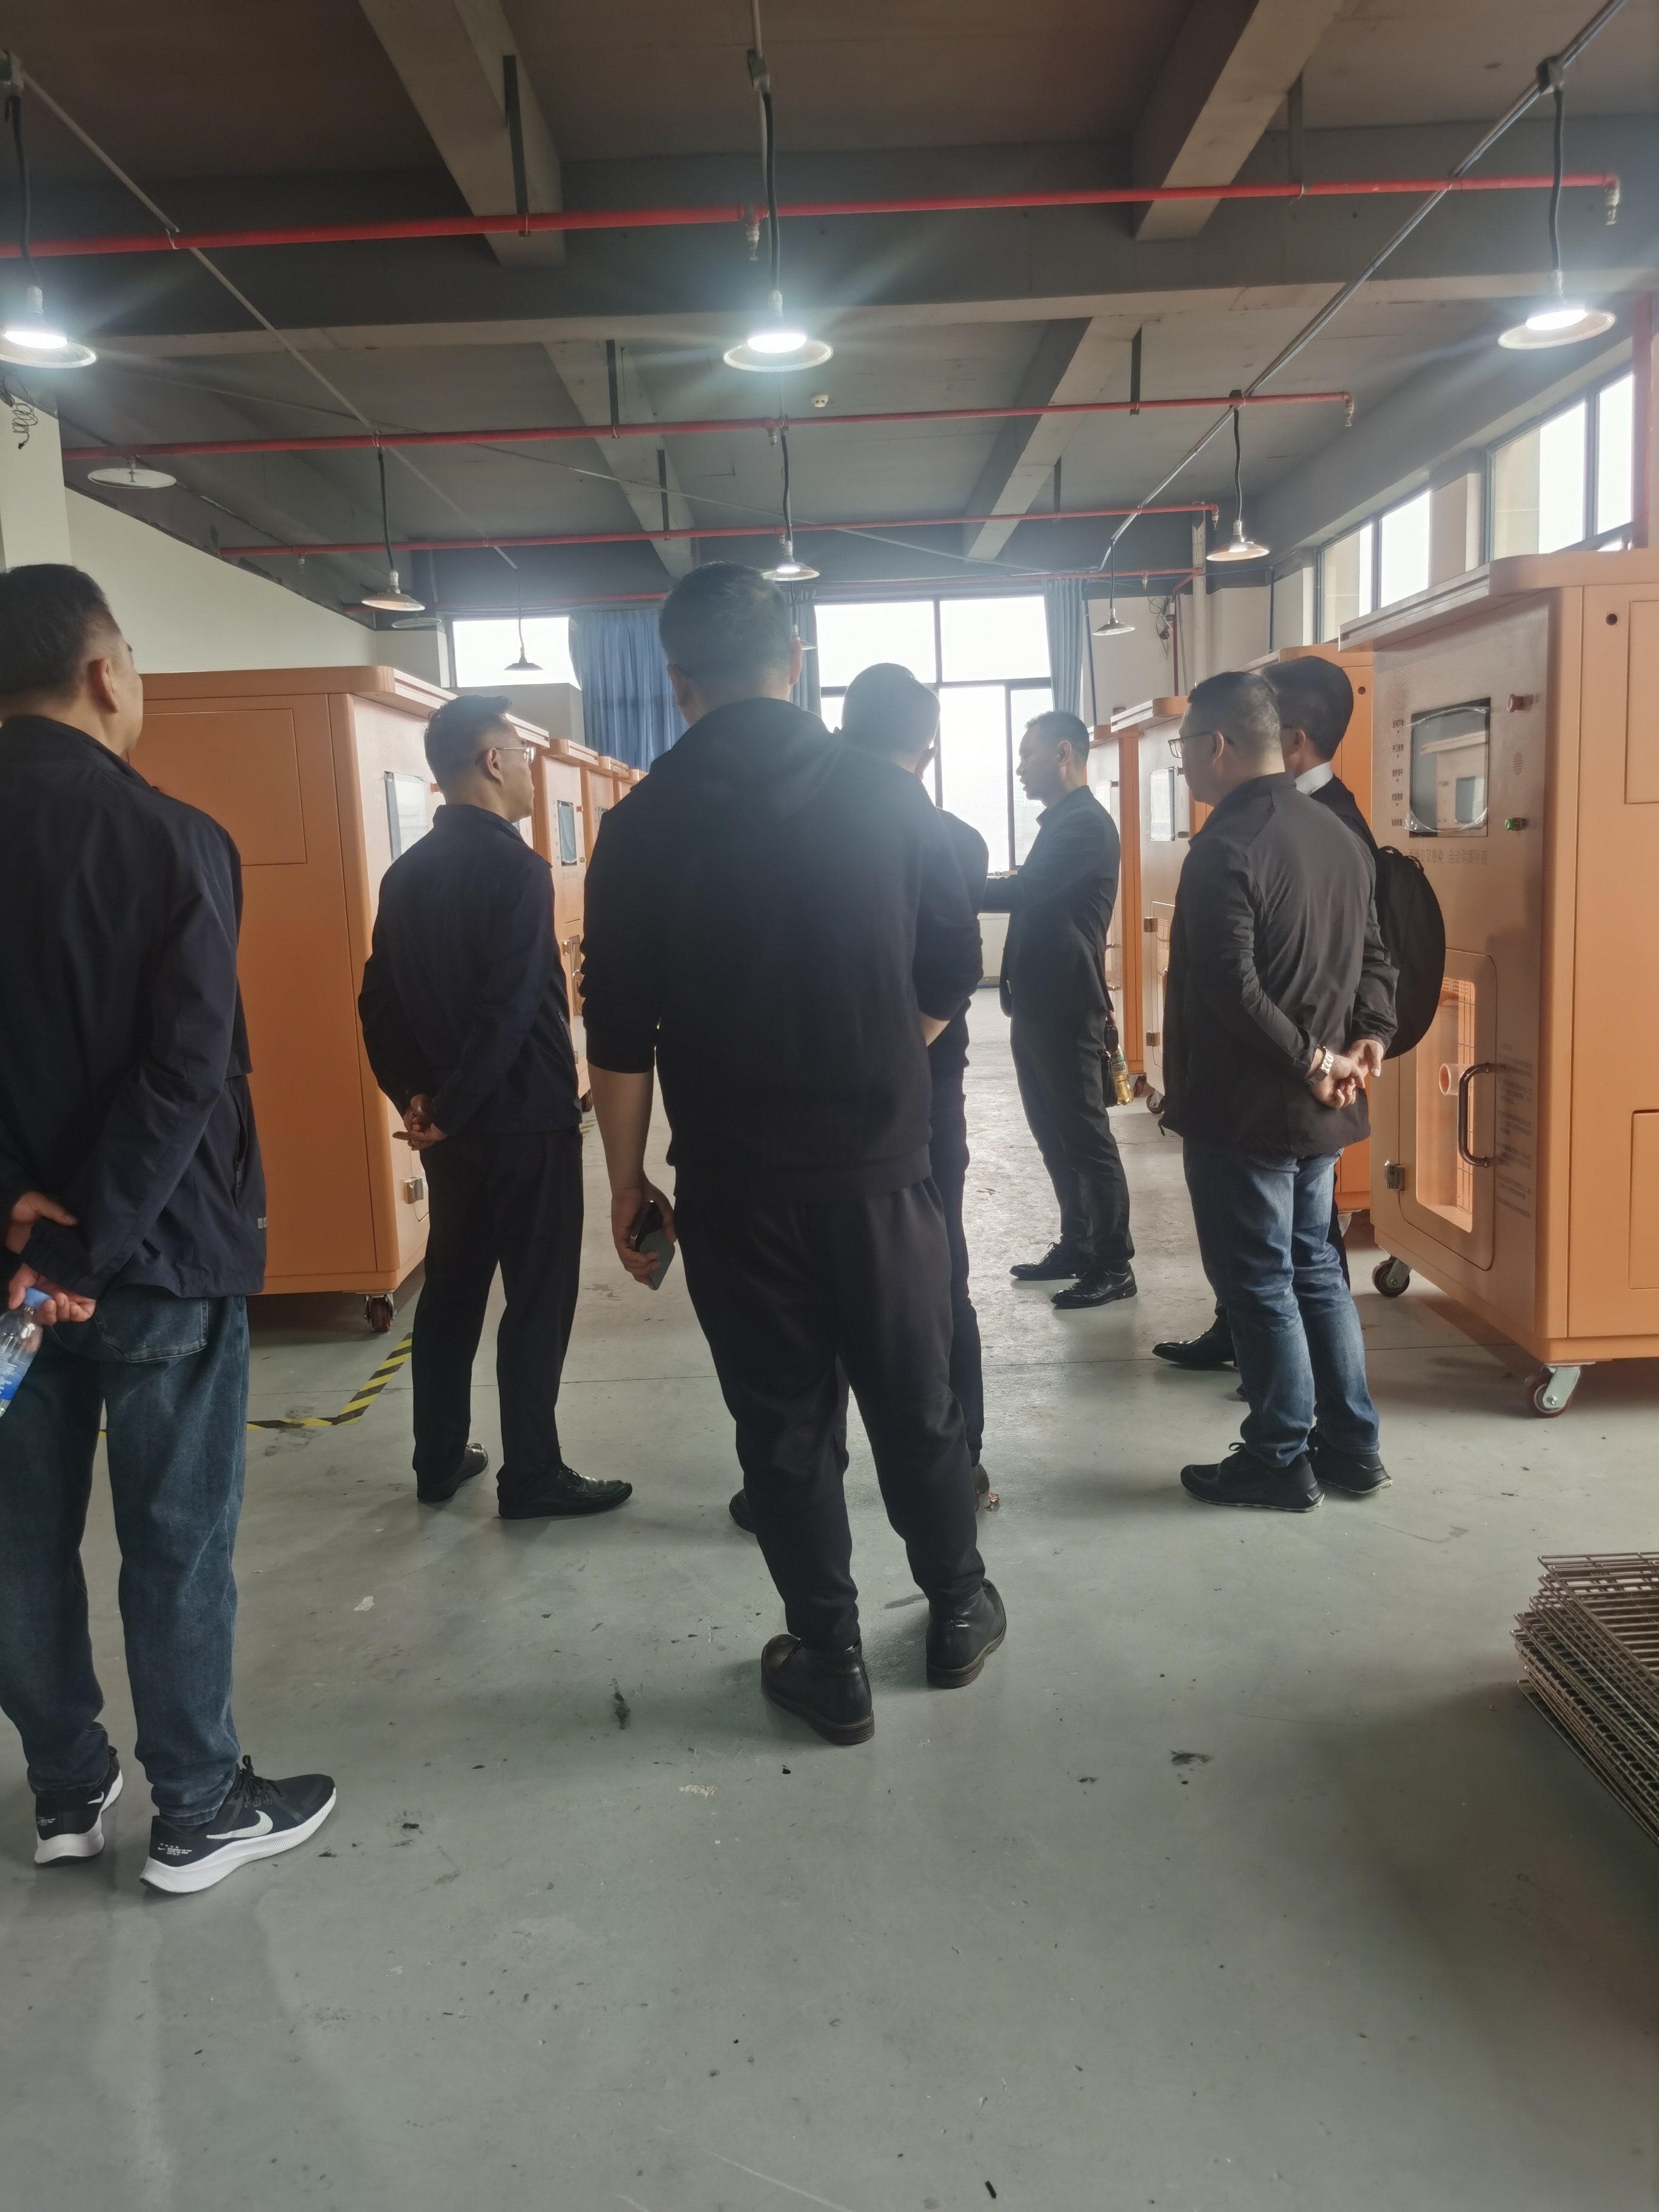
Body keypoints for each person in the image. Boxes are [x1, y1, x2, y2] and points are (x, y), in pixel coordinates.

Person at [580, 564, 1002, 1748]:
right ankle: (958, 1610)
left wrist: (627, 1181)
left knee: (783, 1427)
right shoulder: (890, 799)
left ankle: (831, 1658)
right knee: (917, 1403)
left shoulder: (640, 827)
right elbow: (951, 968)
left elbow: (617, 1033)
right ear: (798, 664)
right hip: (886, 1177)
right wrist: (885, 1058)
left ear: (677, 682)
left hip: (738, 1187)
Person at [0, 563, 335, 1895]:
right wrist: (87, 1246)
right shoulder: (170, 837)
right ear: (104, 672)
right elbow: (185, 1069)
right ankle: (197, 1807)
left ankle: (66, 1791)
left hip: (10, 1283)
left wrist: (21, 1221)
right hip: (154, 1266)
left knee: (17, 1535)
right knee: (175, 1535)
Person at [358, 692, 631, 1522]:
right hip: (523, 1121)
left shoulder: (406, 875)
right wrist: (456, 1105)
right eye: (521, 755)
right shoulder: (517, 871)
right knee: (537, 1297)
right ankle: (532, 1474)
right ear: (490, 762)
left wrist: (419, 1099)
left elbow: (377, 1004)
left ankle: (438, 1460)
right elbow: (510, 1009)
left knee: (452, 1291)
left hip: (450, 1130)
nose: (528, 771)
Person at [1161, 670, 1396, 1512]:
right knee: (1316, 1272)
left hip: (1248, 1110)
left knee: (1260, 1282)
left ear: (1217, 746)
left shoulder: (1225, 847)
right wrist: (1367, 1040)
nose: (1185, 764)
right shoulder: (1336, 833)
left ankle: (1277, 1456)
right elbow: (1377, 955)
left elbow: (1231, 985)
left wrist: (1310, 1061)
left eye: (1184, 748)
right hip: (1321, 1108)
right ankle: (1352, 1447)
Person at [839, 663, 992, 1498]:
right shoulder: (957, 839)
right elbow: (953, 968)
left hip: (827, 1089)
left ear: (841, 733)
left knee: (817, 1281)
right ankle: (961, 1459)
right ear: (927, 750)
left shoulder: (801, 832)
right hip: (931, 1092)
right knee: (941, 1272)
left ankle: (803, 1472)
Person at [983, 711, 1134, 1310]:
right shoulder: (1062, 822)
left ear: (1063, 753)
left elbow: (1023, 891)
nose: (1020, 767)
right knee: (1054, 1135)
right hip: (1038, 1004)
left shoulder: (1085, 826)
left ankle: (1113, 1263)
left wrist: (941, 878)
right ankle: (1078, 1243)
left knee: (1086, 1139)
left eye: (1028, 754)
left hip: (1069, 1006)